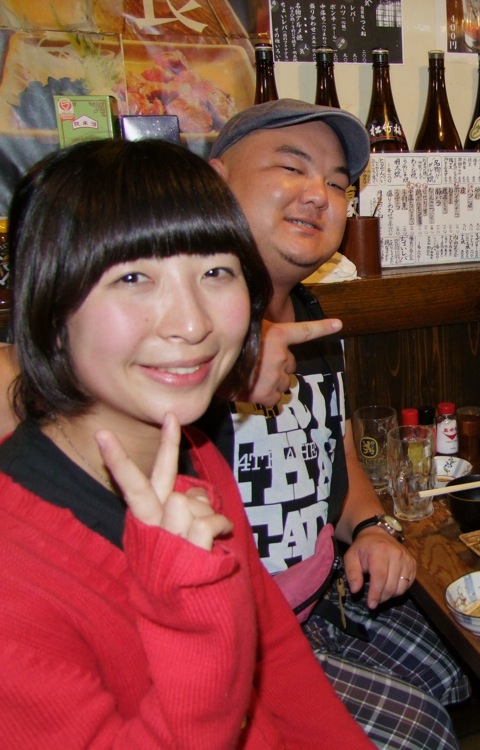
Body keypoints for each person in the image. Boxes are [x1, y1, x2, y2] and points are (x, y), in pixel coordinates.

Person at [0, 138, 373, 748]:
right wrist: (193, 608)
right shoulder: (15, 575)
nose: (193, 323)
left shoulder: (193, 455)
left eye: (216, 272)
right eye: (133, 277)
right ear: (50, 307)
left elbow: (275, 654)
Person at [201, 99, 469, 749]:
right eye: (292, 168)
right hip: (227, 640)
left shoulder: (314, 320)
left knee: (462, 660)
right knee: (422, 732)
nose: (318, 194)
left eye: (337, 183)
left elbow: (337, 457)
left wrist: (372, 528)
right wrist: (220, 368)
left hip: (316, 596)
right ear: (215, 181)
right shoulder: (180, 324)